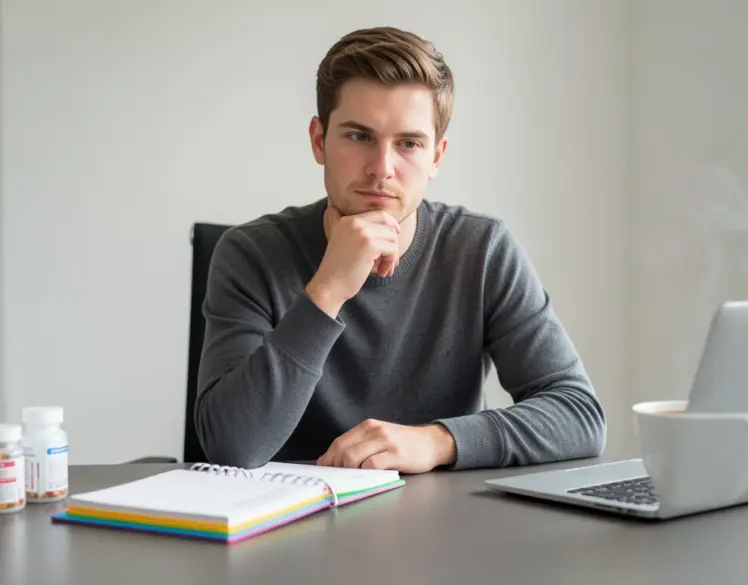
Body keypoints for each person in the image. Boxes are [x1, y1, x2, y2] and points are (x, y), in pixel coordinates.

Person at [194, 26, 606, 473]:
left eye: (409, 144)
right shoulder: (251, 253)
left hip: (445, 528)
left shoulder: (481, 250)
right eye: (359, 136)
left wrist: (438, 441)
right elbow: (232, 448)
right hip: (290, 526)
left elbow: (578, 414)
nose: (382, 169)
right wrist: (327, 290)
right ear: (319, 140)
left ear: (436, 157)